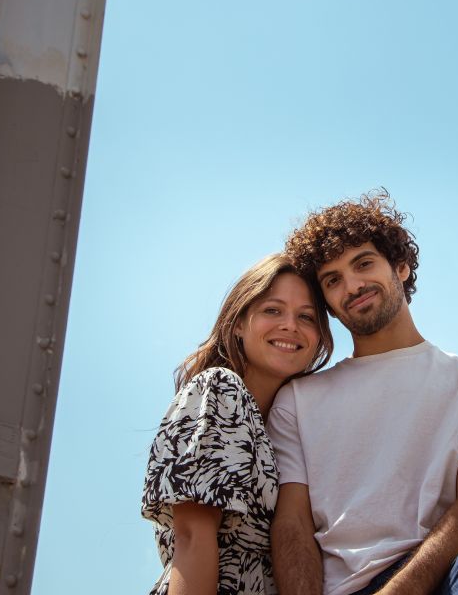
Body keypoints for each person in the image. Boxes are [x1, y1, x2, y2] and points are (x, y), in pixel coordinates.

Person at [269, 192, 458, 595]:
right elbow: (292, 523)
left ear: (400, 267)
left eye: (363, 264)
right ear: (327, 302)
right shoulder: (297, 401)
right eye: (333, 281)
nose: (353, 285)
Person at [142, 254, 333, 595]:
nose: (290, 325)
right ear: (240, 323)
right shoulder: (221, 389)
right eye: (272, 310)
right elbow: (192, 538)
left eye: (306, 317)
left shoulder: (290, 430)